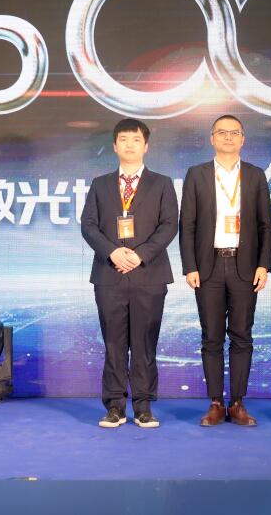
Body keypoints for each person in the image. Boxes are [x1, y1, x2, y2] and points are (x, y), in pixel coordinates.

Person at [80, 118, 178, 429]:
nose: (130, 144)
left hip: (149, 274)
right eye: (123, 139)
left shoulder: (162, 183)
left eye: (136, 139)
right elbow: (88, 225)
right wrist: (112, 252)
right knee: (114, 344)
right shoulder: (100, 184)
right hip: (109, 275)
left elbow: (169, 225)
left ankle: (144, 406)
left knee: (145, 344)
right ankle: (115, 406)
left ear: (146, 146)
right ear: (114, 146)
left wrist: (139, 255)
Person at [180, 115, 271, 426]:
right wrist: (190, 266)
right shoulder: (197, 174)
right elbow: (187, 224)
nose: (228, 137)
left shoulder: (256, 175)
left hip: (245, 266)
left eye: (234, 133)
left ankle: (238, 403)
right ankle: (216, 403)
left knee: (242, 336)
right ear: (212, 138)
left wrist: (263, 264)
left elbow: (266, 225)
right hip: (208, 266)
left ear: (243, 139)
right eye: (222, 132)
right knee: (212, 337)